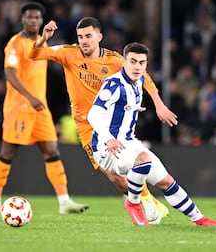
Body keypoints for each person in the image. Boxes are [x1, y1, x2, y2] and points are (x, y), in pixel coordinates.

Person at [29, 17, 178, 224]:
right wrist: (43, 38)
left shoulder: (115, 60)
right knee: (114, 177)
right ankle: (149, 200)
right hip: (85, 126)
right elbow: (34, 54)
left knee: (126, 167)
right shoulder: (68, 53)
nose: (84, 41)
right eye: (80, 37)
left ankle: (148, 203)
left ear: (99, 36)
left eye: (88, 36)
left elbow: (143, 77)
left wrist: (159, 104)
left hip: (111, 125)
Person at [88, 42, 216, 226]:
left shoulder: (139, 82)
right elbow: (93, 114)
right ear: (123, 62)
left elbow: (122, 107)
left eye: (142, 62)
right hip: (107, 148)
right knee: (144, 159)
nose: (137, 66)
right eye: (133, 61)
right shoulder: (114, 84)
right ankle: (133, 203)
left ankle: (199, 219)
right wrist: (109, 139)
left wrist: (133, 108)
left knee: (166, 181)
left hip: (129, 143)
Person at [0, 1, 88, 215]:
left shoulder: (42, 44)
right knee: (8, 152)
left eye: (36, 17)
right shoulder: (15, 43)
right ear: (22, 19)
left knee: (51, 150)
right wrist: (30, 97)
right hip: (19, 107)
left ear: (41, 20)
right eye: (29, 17)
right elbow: (9, 74)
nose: (33, 20)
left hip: (40, 108)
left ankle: (64, 202)